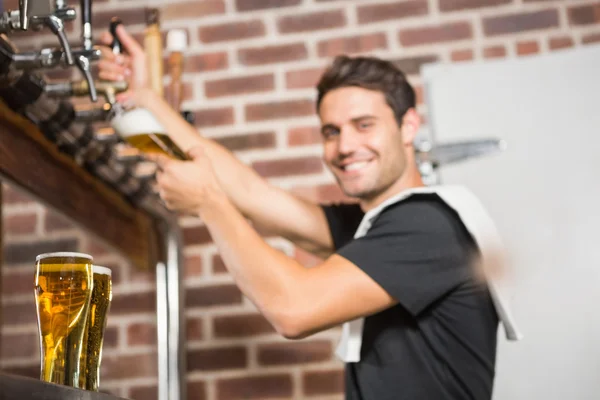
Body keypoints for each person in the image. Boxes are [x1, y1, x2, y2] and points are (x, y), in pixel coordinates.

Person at [98, 25, 504, 400]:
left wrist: (207, 202)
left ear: (408, 126)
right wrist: (148, 98)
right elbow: (250, 193)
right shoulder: (373, 228)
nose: (345, 146)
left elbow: (294, 309)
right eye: (331, 131)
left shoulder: (429, 225)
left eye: (364, 125)